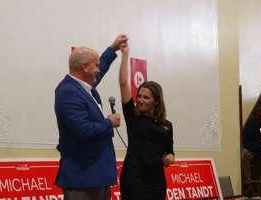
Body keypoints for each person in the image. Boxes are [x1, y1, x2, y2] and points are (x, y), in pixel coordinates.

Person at [54, 35, 128, 200]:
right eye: (96, 65)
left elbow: (100, 72)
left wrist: (112, 49)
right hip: (83, 178)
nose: (98, 69)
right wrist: (108, 123)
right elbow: (81, 130)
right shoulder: (68, 92)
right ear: (85, 67)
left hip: (95, 177)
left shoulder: (83, 87)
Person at [118, 42, 175, 200]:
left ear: (156, 101)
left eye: (146, 97)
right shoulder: (133, 116)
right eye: (139, 96)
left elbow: (170, 151)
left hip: (156, 181)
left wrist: (170, 158)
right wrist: (124, 56)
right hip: (134, 179)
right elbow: (123, 84)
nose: (141, 100)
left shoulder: (167, 125)